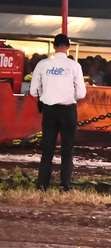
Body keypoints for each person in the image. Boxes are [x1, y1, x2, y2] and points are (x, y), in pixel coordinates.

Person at [30, 34, 86, 192]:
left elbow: (34, 91)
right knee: (67, 149)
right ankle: (64, 185)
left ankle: (42, 185)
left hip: (49, 109)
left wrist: (44, 94)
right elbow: (81, 93)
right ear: (68, 47)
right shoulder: (74, 66)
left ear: (54, 46)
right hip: (68, 109)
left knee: (47, 149)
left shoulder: (43, 64)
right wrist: (70, 96)